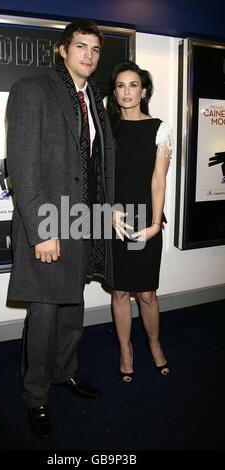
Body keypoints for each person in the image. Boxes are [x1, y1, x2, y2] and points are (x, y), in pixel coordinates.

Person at [6, 19, 115, 438]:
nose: (89, 55)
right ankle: (35, 395)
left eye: (95, 49)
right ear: (63, 50)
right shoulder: (33, 90)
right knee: (45, 313)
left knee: (73, 306)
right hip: (50, 222)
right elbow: (23, 165)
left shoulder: (95, 99)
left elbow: (97, 165)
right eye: (81, 46)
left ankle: (64, 372)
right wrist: (40, 230)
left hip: (84, 221)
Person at [107, 61, 172, 383]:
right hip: (115, 219)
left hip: (146, 218)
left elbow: (159, 180)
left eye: (133, 85)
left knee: (146, 293)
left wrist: (156, 223)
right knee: (119, 292)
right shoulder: (105, 128)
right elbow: (97, 176)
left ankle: (155, 344)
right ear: (114, 91)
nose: (127, 91)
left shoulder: (160, 128)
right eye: (120, 85)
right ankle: (125, 349)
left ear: (144, 90)